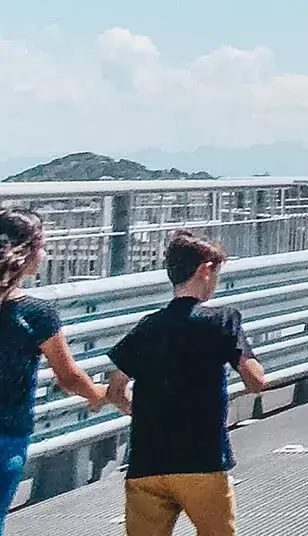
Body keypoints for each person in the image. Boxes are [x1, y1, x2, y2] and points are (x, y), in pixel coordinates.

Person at [106, 231, 270, 536]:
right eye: (216, 274)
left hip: (147, 464)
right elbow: (255, 380)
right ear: (204, 270)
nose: (216, 282)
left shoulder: (147, 326)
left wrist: (145, 413)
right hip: (202, 460)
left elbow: (115, 391)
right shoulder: (222, 320)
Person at [1, 210, 106, 533]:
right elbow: (68, 376)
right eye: (43, 245)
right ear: (27, 251)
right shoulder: (36, 313)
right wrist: (96, 394)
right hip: (7, 434)